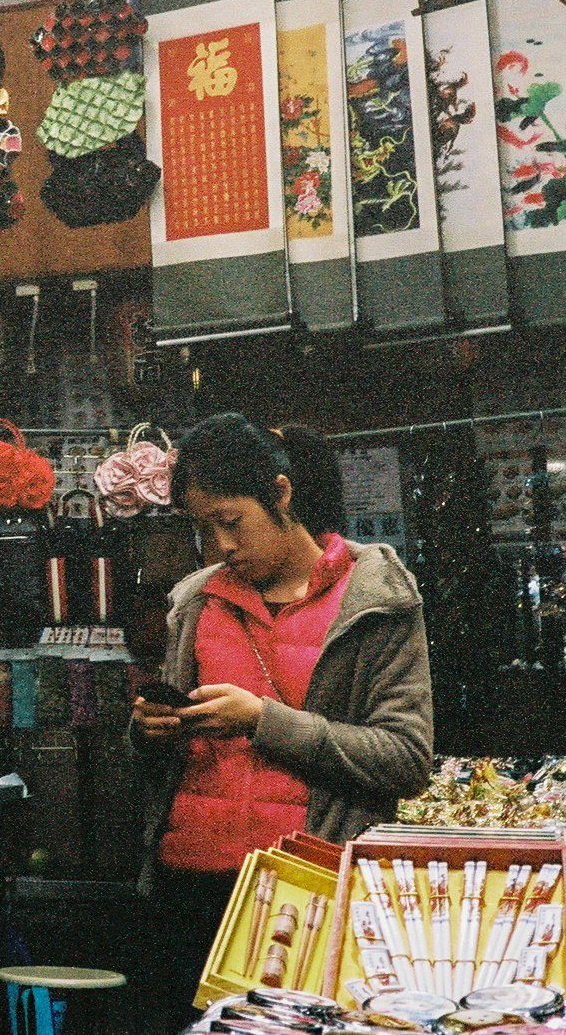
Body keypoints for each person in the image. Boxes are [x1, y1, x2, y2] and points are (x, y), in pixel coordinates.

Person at [129, 415, 432, 1030]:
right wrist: (150, 732)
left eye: (231, 521)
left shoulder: (377, 602)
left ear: (281, 493)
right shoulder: (196, 604)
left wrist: (263, 719)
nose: (221, 546)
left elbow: (405, 757)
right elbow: (160, 766)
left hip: (309, 893)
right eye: (202, 527)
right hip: (188, 885)